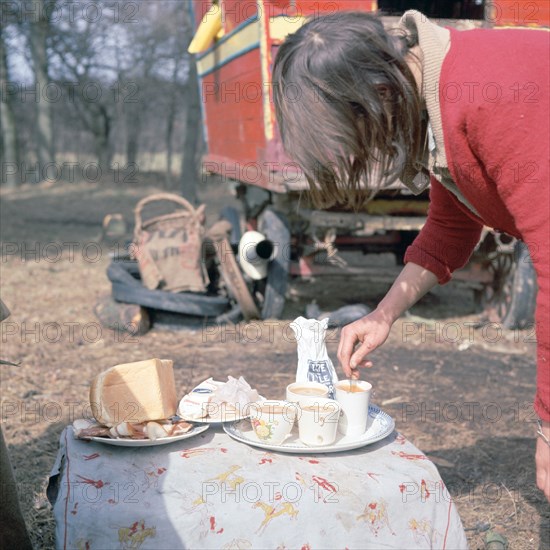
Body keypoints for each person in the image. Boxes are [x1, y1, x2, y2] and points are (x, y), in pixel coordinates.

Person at [272, 10, 549, 501]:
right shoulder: (436, 97)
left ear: (378, 94)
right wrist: (384, 314)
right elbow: (453, 221)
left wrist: (549, 426)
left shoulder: (489, 95)